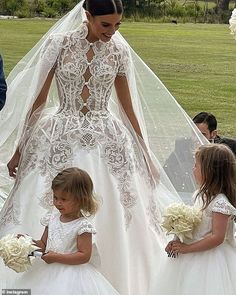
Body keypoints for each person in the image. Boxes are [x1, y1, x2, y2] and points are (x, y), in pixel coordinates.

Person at [0, 0, 205, 293]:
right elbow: (39, 100)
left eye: (117, 25)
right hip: (60, 134)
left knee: (118, 209)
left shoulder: (119, 51)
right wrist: (20, 148)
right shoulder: (59, 44)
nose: (112, 31)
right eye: (105, 24)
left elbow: (127, 108)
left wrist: (145, 153)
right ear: (87, 16)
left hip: (108, 137)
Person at [11, 168, 120, 294]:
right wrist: (27, 243)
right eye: (55, 197)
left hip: (73, 276)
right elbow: (43, 244)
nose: (58, 203)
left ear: (80, 199)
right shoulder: (51, 218)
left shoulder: (82, 226)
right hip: (46, 272)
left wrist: (57, 257)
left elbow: (84, 256)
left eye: (64, 199)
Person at [151, 144, 236, 295]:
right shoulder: (202, 195)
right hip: (192, 251)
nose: (193, 168)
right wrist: (178, 239)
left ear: (210, 171)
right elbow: (195, 222)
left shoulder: (220, 203)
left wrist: (187, 249)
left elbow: (217, 237)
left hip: (211, 260)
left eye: (197, 165)